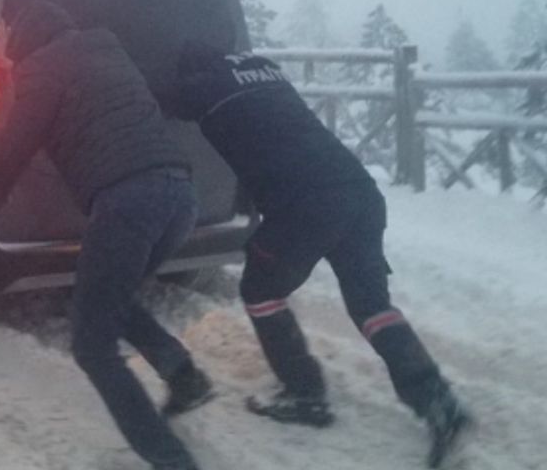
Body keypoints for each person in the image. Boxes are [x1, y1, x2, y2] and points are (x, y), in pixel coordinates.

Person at [163, 40, 471, 468]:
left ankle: (305, 394)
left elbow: (164, 99)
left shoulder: (204, 86)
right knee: (371, 306)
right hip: (360, 193)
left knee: (260, 291)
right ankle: (438, 401)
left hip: (306, 205)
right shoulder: (263, 68)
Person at [0, 1, 211, 470]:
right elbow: (70, 90)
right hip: (180, 195)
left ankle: (170, 459)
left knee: (91, 344)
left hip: (130, 203)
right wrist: (12, 69)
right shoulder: (107, 49)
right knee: (108, 296)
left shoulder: (42, 70)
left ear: (26, 42)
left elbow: (17, 141)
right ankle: (183, 376)